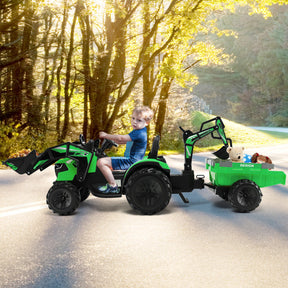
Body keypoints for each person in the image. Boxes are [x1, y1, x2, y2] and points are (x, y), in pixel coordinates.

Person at [97, 106, 154, 194]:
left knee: (101, 162)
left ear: (147, 122)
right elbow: (124, 140)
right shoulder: (140, 131)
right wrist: (113, 140)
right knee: (106, 161)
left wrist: (105, 135)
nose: (134, 121)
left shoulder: (139, 132)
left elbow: (120, 138)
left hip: (131, 161)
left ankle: (113, 186)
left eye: (139, 120)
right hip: (132, 160)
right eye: (133, 118)